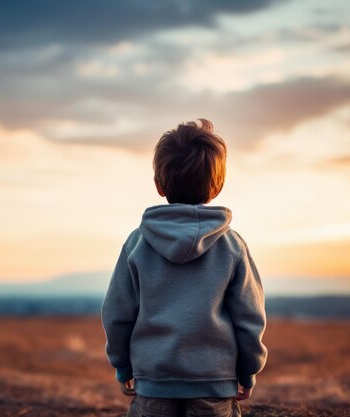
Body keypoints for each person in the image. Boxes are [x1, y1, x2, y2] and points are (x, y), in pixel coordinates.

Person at [101, 118, 267, 417]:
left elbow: (117, 312)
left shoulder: (137, 243)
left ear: (159, 185)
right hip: (214, 385)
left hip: (153, 385)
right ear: (217, 187)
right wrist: (248, 371)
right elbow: (250, 317)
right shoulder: (232, 246)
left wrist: (122, 365)